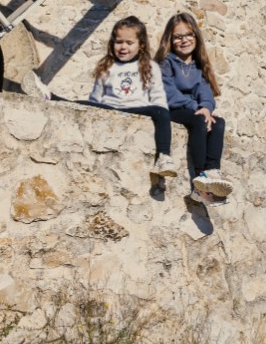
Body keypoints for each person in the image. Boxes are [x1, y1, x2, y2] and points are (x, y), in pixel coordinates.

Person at [85, 15, 176, 185]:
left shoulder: (150, 66)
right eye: (119, 42)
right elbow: (95, 98)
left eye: (129, 43)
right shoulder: (106, 66)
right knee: (78, 103)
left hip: (136, 108)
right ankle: (49, 96)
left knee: (161, 111)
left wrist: (162, 114)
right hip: (109, 107)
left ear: (140, 44)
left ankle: (164, 156)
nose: (123, 47)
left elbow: (158, 97)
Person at [159, 11, 234, 204]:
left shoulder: (197, 68)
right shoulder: (166, 63)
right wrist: (196, 108)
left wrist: (207, 108)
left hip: (194, 111)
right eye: (178, 36)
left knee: (218, 123)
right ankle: (200, 177)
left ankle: (212, 170)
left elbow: (206, 93)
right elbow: (169, 92)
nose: (184, 40)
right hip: (172, 108)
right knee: (200, 120)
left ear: (196, 37)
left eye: (189, 34)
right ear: (170, 39)